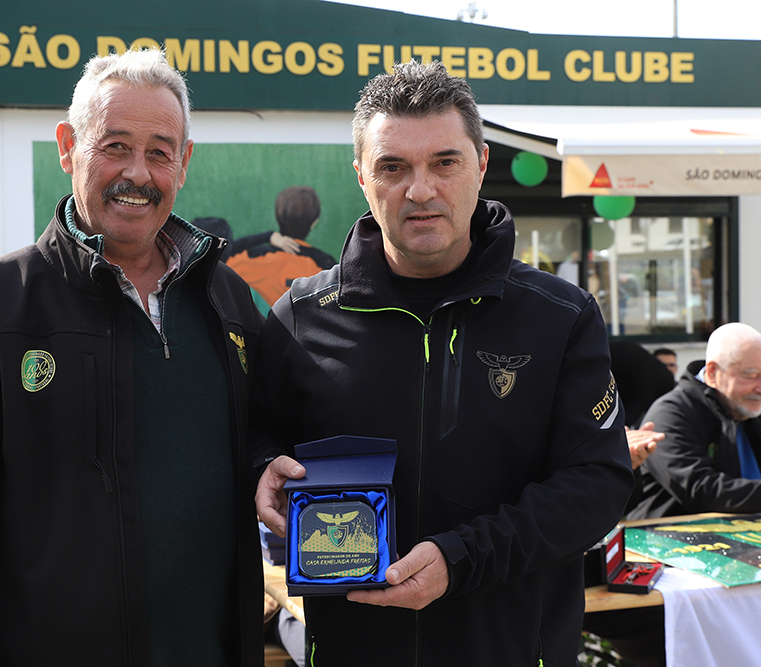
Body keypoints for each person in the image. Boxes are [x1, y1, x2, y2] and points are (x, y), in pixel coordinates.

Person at [251, 60, 632, 666]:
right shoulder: (300, 318)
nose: (420, 190)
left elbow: (598, 485)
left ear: (481, 165)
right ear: (361, 176)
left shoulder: (559, 316)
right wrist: (261, 465)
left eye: (444, 163)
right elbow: (257, 435)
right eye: (392, 167)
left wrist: (461, 559)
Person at [0, 49, 265, 666]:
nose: (138, 174)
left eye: (159, 151)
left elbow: (268, 439)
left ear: (185, 162)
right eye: (114, 146)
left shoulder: (227, 301)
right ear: (69, 146)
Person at [630, 322, 761, 519]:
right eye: (752, 376)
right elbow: (705, 493)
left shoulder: (758, 408)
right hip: (668, 542)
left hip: (759, 538)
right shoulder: (671, 415)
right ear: (712, 373)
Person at [227, 185, 336, 307]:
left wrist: (267, 236)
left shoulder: (246, 260)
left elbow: (223, 253)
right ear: (314, 222)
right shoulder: (326, 268)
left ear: (278, 217)